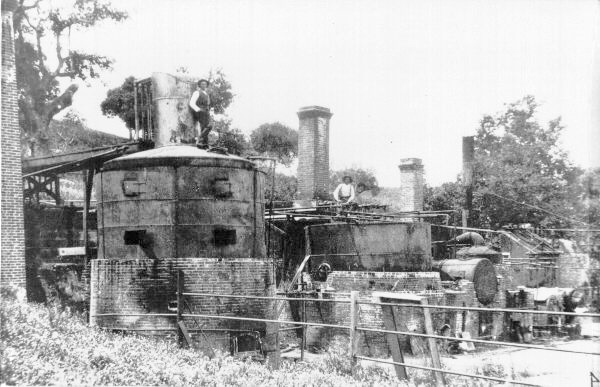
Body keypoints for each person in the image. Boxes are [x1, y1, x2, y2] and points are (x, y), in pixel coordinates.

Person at [189, 79, 211, 147]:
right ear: (199, 85)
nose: (204, 85)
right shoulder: (197, 92)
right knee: (206, 126)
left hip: (206, 112)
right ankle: (200, 141)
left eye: (205, 84)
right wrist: (198, 109)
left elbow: (208, 104)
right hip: (200, 111)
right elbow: (191, 103)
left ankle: (205, 143)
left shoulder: (207, 94)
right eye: (202, 84)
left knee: (207, 127)